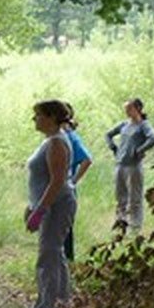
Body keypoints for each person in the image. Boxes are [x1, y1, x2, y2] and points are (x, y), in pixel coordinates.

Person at [25, 100, 77, 308]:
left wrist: (40, 210)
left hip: (57, 204)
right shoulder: (49, 141)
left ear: (51, 118)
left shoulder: (57, 143)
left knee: (48, 254)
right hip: (48, 204)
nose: (34, 119)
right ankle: (61, 303)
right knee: (55, 253)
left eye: (38, 115)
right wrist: (32, 206)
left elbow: (56, 181)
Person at [106, 97, 154, 234]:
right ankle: (121, 224)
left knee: (135, 198)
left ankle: (135, 228)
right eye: (126, 109)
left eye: (129, 108)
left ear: (138, 109)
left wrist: (140, 150)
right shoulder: (124, 124)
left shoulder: (143, 125)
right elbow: (108, 134)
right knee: (120, 196)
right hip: (120, 164)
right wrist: (112, 146)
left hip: (134, 166)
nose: (127, 111)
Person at [61, 104, 92, 262]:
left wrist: (73, 181)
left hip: (65, 189)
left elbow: (87, 159)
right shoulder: (60, 136)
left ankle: (68, 262)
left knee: (65, 229)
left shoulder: (71, 137)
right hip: (60, 188)